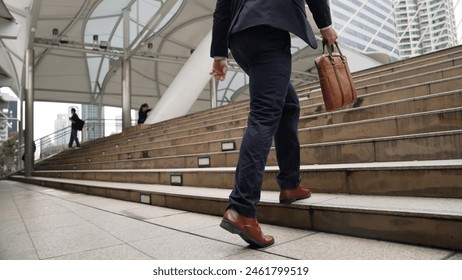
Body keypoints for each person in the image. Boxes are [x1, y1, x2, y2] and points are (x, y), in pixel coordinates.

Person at [210, 0, 338, 248]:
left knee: (288, 106)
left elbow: (222, 9)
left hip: (240, 40)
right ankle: (241, 209)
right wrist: (326, 26)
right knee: (264, 114)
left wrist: (218, 54)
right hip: (268, 31)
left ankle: (290, 184)